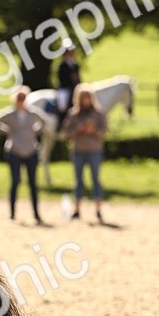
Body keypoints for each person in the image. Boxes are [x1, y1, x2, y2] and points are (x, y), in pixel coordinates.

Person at [0, 87, 46, 223]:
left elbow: (44, 121)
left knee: (33, 183)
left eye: (23, 99)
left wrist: (34, 131)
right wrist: (7, 131)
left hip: (31, 150)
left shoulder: (32, 113)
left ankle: (36, 213)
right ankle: (13, 213)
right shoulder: (10, 114)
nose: (21, 102)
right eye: (19, 99)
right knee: (15, 182)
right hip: (14, 151)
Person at [61, 83, 107, 222]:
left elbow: (104, 131)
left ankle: (98, 210)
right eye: (83, 97)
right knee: (78, 182)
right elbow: (66, 133)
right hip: (78, 150)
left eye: (87, 97)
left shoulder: (98, 113)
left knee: (96, 180)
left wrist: (93, 131)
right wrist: (78, 130)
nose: (85, 100)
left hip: (94, 150)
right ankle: (77, 210)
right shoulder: (73, 114)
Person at [57, 39, 81, 123]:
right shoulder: (62, 66)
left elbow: (79, 79)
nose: (71, 53)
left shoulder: (75, 65)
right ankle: (61, 123)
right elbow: (61, 79)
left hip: (75, 88)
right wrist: (70, 79)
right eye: (69, 51)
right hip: (65, 88)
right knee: (62, 105)